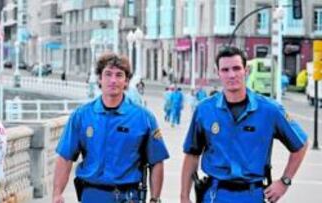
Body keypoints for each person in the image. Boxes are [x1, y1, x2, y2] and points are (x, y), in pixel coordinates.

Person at [180, 47, 308, 203]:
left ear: (246, 71)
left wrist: (284, 181)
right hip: (214, 195)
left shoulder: (270, 110)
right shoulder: (204, 110)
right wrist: (184, 197)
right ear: (218, 72)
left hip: (252, 195)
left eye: (236, 68)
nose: (231, 75)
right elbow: (192, 155)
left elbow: (301, 145)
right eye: (225, 70)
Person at [53, 52, 169, 203]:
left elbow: (156, 161)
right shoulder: (81, 116)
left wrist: (155, 199)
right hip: (91, 195)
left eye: (119, 75)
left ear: (126, 81)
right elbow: (65, 157)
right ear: (100, 79)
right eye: (108, 74)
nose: (113, 80)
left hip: (128, 196)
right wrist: (57, 194)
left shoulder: (144, 118)